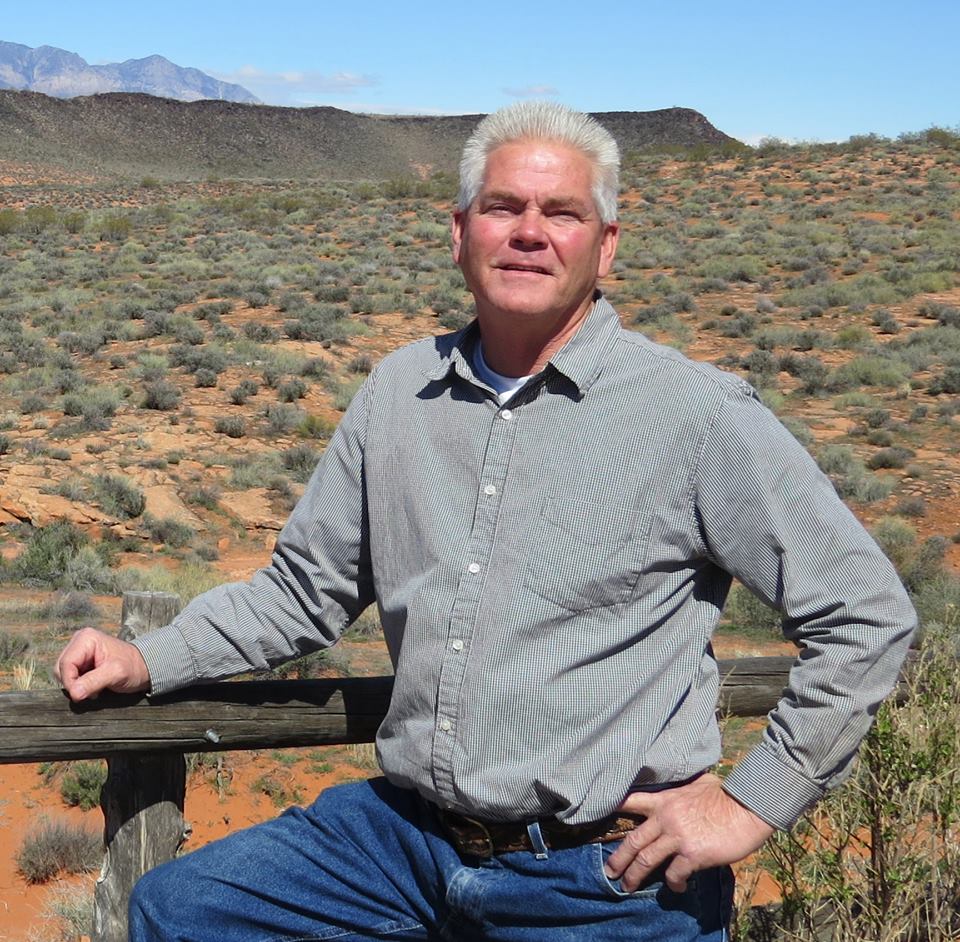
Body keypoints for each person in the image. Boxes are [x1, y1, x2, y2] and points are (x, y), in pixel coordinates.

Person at [56, 102, 916, 941]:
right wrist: (147, 659)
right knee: (184, 908)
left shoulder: (697, 415)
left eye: (562, 212)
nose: (529, 231)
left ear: (605, 244)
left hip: (603, 878)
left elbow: (866, 615)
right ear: (460, 231)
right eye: (503, 207)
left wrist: (750, 801)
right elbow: (302, 591)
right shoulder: (399, 392)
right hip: (406, 841)